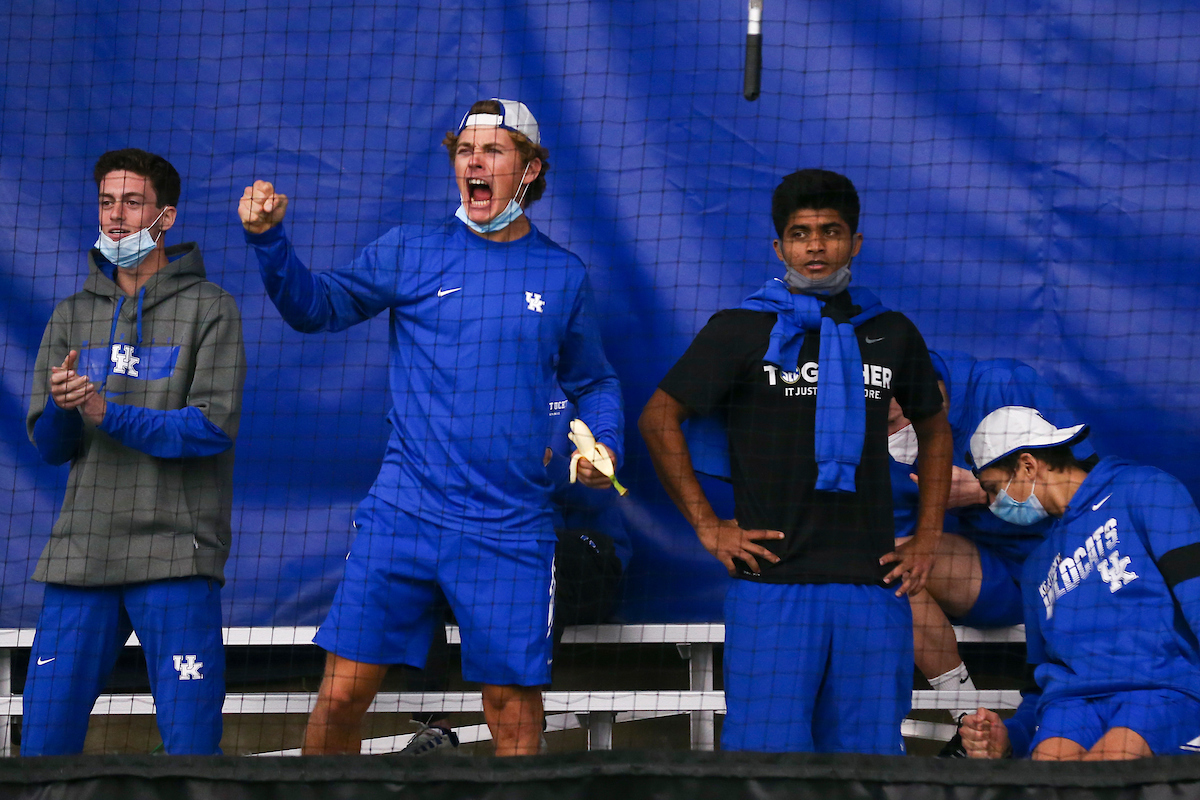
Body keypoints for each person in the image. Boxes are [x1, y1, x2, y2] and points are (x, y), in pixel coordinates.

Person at [238, 99, 624, 757]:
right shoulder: (408, 251)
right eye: (464, 150)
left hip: (510, 526)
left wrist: (604, 442)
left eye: (493, 150)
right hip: (404, 514)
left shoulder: (563, 275)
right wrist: (270, 241)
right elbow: (315, 309)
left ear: (529, 171)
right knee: (339, 698)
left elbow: (595, 382)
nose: (474, 161)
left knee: (512, 716)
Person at [639, 169, 952, 754]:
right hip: (773, 588)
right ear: (778, 246)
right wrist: (709, 526)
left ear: (855, 242)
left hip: (872, 586)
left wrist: (929, 534)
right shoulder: (742, 330)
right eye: (800, 233)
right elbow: (658, 417)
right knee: (767, 768)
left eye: (831, 231)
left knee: (870, 768)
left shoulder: (889, 333)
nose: (815, 245)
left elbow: (935, 429)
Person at [24, 148, 246, 755]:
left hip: (176, 555)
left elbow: (209, 428)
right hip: (81, 558)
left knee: (192, 752)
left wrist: (105, 411)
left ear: (165, 216)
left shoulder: (211, 309)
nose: (115, 216)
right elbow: (49, 447)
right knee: (41, 750)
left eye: (132, 202)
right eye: (106, 202)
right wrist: (65, 408)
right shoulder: (71, 315)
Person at [959, 405, 1200, 760]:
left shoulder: (1147, 490)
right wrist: (1010, 737)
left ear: (1027, 465)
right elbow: (1040, 688)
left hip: (1157, 689)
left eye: (994, 489)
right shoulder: (1036, 567)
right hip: (1069, 707)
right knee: (1046, 774)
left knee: (1110, 767)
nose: (994, 504)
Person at [399, 391, 631, 755]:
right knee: (413, 565)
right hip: (483, 553)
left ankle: (525, 728)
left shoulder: (586, 391)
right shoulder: (465, 391)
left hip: (583, 553)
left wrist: (547, 462)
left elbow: (595, 498)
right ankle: (435, 729)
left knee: (527, 563)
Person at [887, 351, 1093, 731]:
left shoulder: (1004, 383)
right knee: (891, 563)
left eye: (897, 418)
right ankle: (967, 720)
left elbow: (1086, 483)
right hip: (996, 573)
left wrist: (984, 492)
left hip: (1071, 562)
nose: (891, 431)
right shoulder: (884, 436)